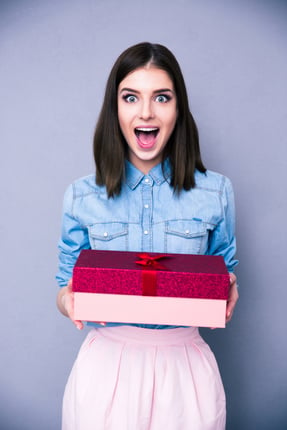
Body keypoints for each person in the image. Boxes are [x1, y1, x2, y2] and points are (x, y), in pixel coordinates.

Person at [56, 42, 239, 430]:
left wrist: (229, 287)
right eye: (130, 97)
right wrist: (67, 299)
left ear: (178, 109)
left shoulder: (216, 192)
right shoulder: (81, 195)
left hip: (185, 371)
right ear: (115, 109)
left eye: (161, 97)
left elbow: (226, 270)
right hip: (106, 369)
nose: (146, 112)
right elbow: (63, 284)